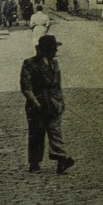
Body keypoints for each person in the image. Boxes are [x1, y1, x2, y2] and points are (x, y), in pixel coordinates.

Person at [20, 34, 75, 174]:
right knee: (36, 134)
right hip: (37, 106)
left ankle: (61, 159)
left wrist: (61, 102)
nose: (56, 51)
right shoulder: (29, 63)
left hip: (53, 104)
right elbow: (26, 88)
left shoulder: (54, 63)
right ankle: (34, 162)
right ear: (45, 50)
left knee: (55, 132)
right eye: (53, 49)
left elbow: (57, 85)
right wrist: (37, 104)